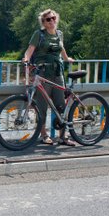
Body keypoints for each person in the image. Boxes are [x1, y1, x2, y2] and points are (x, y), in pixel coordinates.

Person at [21, 9, 76, 146]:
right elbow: (30, 50)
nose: (51, 21)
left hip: (58, 72)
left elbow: (61, 48)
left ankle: (63, 136)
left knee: (60, 105)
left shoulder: (59, 34)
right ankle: (44, 135)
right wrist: (26, 59)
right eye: (48, 19)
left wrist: (66, 58)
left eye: (53, 18)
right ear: (43, 23)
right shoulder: (38, 34)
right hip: (43, 72)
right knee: (42, 107)